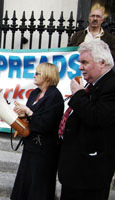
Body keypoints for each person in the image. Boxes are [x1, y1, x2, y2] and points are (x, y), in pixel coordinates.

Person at [58, 40, 115, 200]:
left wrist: (78, 95)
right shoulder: (95, 84)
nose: (80, 67)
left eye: (84, 62)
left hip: (89, 176)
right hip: (76, 172)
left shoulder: (111, 85)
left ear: (101, 62)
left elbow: (97, 117)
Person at [10, 63, 64, 200]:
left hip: (45, 149)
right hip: (31, 145)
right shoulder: (35, 93)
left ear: (47, 77)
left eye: (38, 73)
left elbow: (46, 124)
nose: (34, 75)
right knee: (26, 179)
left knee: (39, 184)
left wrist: (28, 111)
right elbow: (31, 118)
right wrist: (21, 115)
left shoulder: (54, 96)